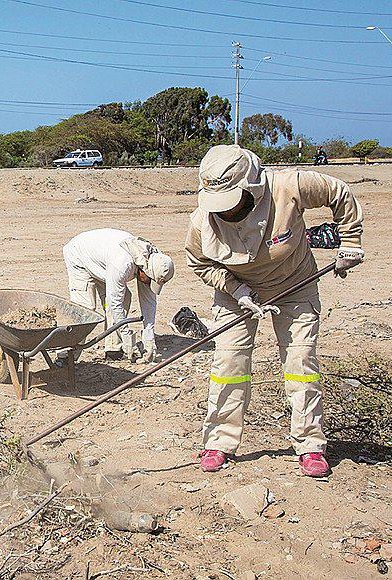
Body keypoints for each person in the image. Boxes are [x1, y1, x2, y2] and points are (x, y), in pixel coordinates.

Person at [186, 144, 364, 477]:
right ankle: (219, 442)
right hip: (237, 291)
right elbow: (199, 263)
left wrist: (350, 242)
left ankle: (310, 445)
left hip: (295, 286)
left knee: (300, 363)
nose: (225, 212)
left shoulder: (289, 187)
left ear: (251, 188)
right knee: (228, 363)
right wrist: (237, 290)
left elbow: (339, 193)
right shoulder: (201, 222)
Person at [63, 229, 175, 363]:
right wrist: (126, 335)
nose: (148, 284)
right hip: (80, 256)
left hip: (103, 262)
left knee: (125, 298)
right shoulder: (123, 263)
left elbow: (148, 303)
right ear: (145, 271)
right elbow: (114, 302)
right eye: (149, 280)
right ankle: (66, 356)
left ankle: (113, 349)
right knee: (86, 308)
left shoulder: (155, 262)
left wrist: (149, 338)